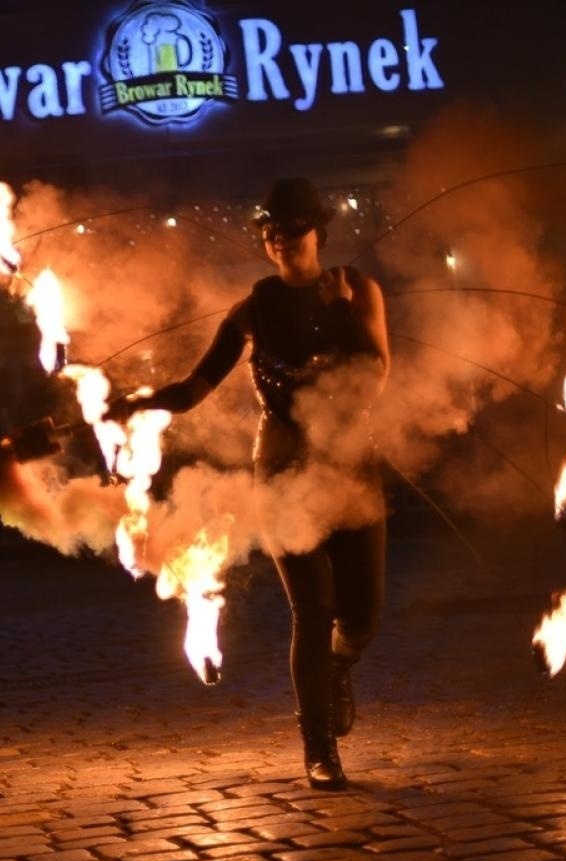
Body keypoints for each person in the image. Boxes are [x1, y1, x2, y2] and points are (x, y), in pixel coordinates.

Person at [107, 178, 391, 791]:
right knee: (311, 610)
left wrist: (340, 310)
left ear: (317, 232)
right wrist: (135, 402)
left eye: (292, 230)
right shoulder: (253, 309)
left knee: (362, 613)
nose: (281, 241)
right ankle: (318, 748)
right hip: (284, 473)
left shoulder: (356, 288)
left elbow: (374, 375)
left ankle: (339, 667)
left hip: (351, 468)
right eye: (271, 233)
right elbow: (194, 387)